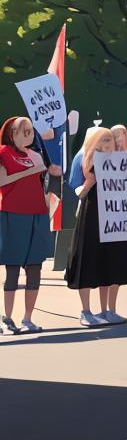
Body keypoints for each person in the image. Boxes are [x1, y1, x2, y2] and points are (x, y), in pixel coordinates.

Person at [64, 126, 127, 327]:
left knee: (112, 262)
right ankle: (86, 311)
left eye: (109, 139)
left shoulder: (122, 161)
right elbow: (79, 191)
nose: (107, 143)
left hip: (116, 217)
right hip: (92, 217)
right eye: (102, 140)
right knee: (87, 261)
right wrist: (88, 183)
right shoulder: (87, 160)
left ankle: (108, 309)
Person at [0, 117, 55, 333]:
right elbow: (2, 182)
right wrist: (30, 171)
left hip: (37, 213)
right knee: (12, 269)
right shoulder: (3, 152)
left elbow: (41, 182)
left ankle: (28, 318)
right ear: (11, 132)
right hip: (13, 214)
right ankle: (7, 318)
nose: (27, 135)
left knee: (35, 268)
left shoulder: (36, 155)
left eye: (30, 131)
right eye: (22, 131)